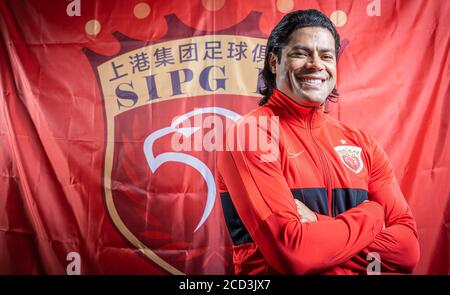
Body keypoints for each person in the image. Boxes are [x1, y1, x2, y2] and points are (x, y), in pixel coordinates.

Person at [216, 9, 420, 275]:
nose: (316, 64)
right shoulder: (251, 134)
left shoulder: (363, 144)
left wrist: (317, 226)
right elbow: (293, 253)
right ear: (274, 62)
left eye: (326, 56)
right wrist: (372, 215)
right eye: (301, 53)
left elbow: (407, 253)